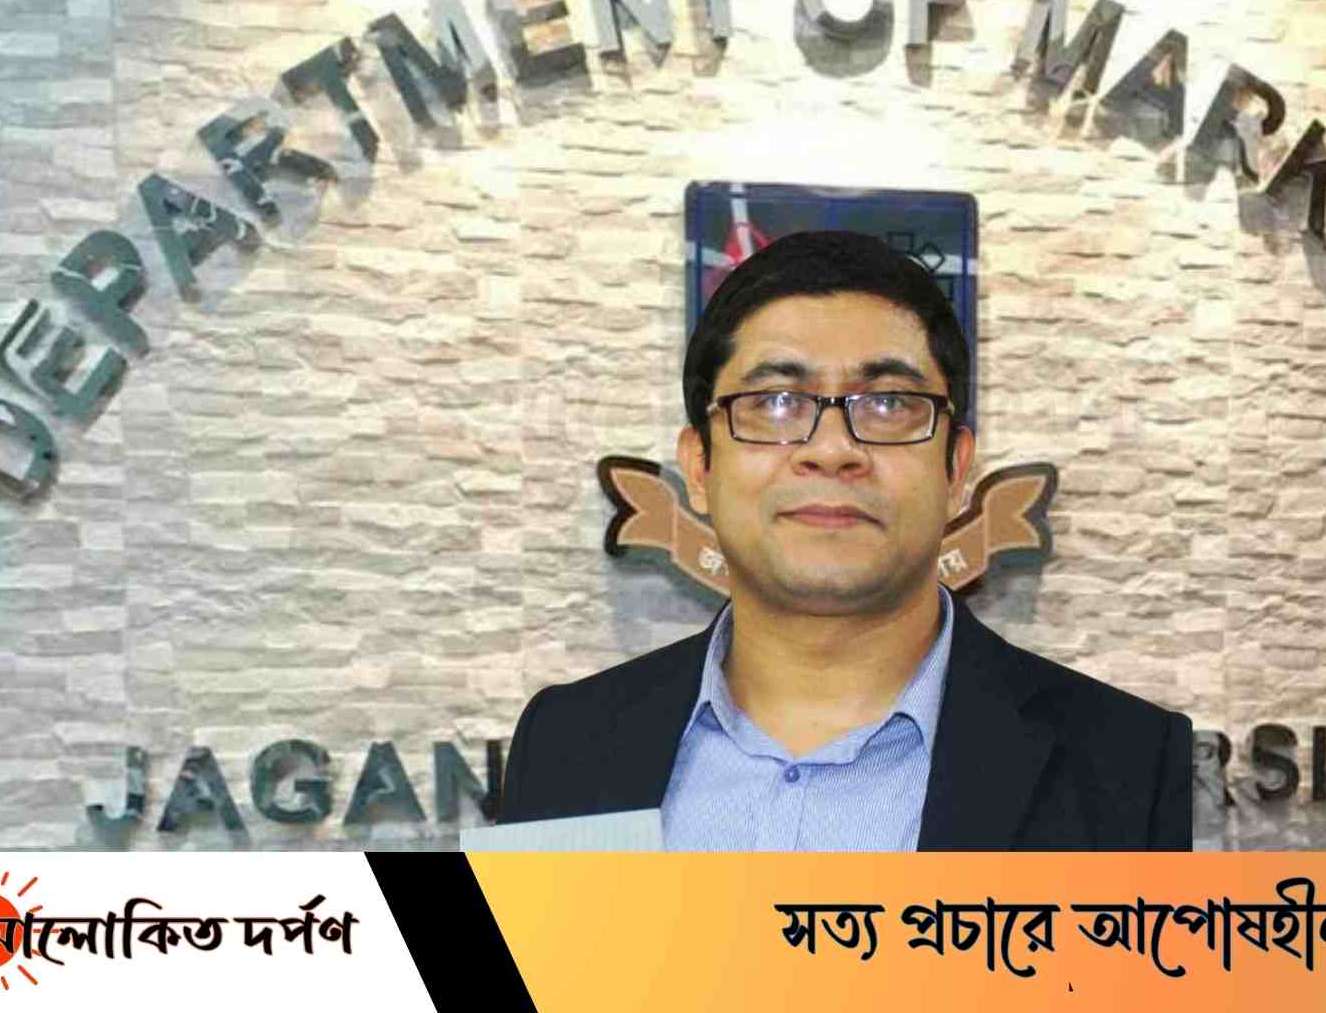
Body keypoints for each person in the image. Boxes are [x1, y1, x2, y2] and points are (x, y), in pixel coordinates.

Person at [499, 230, 1191, 849]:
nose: (832, 450)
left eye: (889, 404)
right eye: (775, 403)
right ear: (700, 467)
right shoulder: (564, 744)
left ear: (956, 470)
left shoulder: (1125, 764)